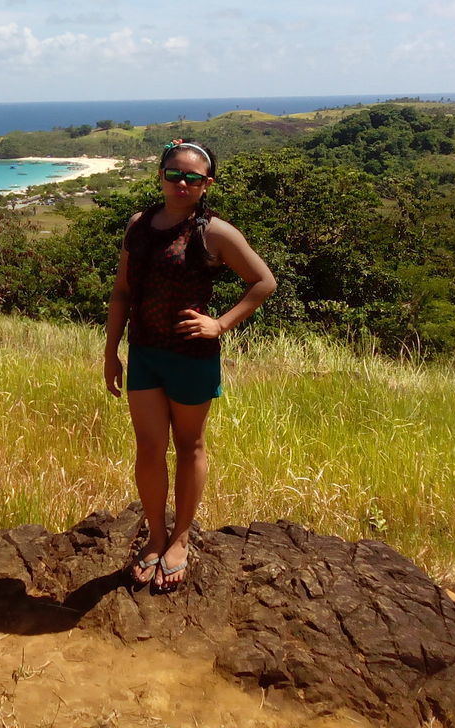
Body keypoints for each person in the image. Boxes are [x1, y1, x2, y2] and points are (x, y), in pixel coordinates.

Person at [104, 140, 276, 591]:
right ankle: (155, 536)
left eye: (193, 178)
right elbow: (123, 291)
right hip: (144, 352)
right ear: (160, 175)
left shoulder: (215, 232)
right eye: (174, 174)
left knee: (189, 445)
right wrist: (110, 352)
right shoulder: (138, 225)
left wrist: (220, 324)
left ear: (206, 185)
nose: (182, 183)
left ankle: (181, 538)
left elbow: (263, 282)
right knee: (148, 447)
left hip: (191, 357)